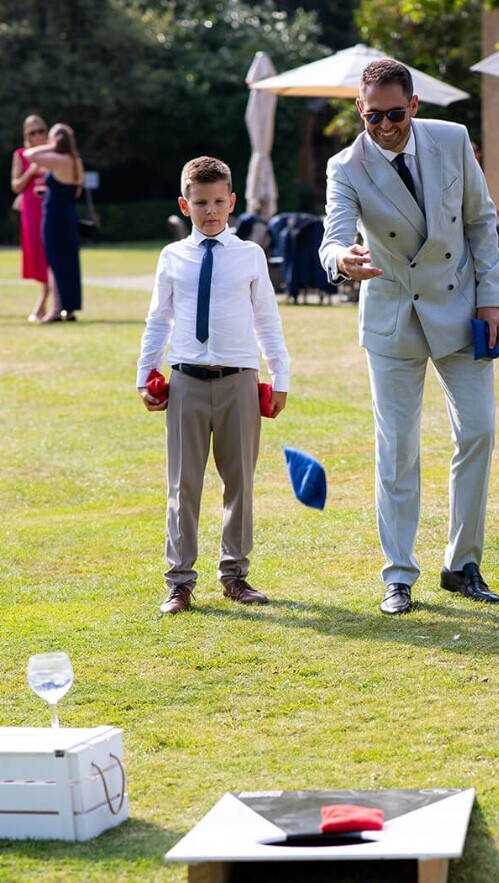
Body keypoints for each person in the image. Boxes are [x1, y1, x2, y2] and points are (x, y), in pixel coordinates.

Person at [319, 58, 499, 616]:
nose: (383, 126)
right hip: (393, 314)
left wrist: (493, 296)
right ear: (360, 109)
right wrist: (342, 260)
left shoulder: (453, 140)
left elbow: (481, 221)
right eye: (372, 116)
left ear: (414, 106)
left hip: (461, 307)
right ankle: (399, 575)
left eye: (394, 114)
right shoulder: (345, 166)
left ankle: (463, 564)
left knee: (479, 431)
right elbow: (332, 235)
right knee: (397, 449)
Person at [136, 156, 290, 615]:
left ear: (232, 202)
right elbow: (158, 320)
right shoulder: (172, 257)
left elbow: (267, 319)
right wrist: (145, 374)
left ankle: (235, 575)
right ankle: (179, 582)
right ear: (185, 205)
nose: (211, 211)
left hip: (239, 380)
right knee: (183, 484)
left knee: (239, 481)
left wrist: (279, 376)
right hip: (185, 380)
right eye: (201, 203)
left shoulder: (249, 255)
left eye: (219, 201)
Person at [24, 122, 84, 323]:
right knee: (69, 263)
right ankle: (69, 308)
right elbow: (75, 190)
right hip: (69, 214)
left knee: (55, 263)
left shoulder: (58, 159)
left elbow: (29, 155)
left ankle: (56, 310)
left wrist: (51, 146)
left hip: (54, 217)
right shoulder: (76, 161)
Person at [11, 115, 50, 322]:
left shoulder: (54, 151)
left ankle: (44, 302)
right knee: (37, 252)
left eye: (40, 131)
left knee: (50, 253)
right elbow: (16, 186)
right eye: (31, 133)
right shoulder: (21, 155)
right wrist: (32, 171)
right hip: (31, 209)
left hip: (51, 207)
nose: (37, 136)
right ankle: (45, 299)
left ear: (46, 130)